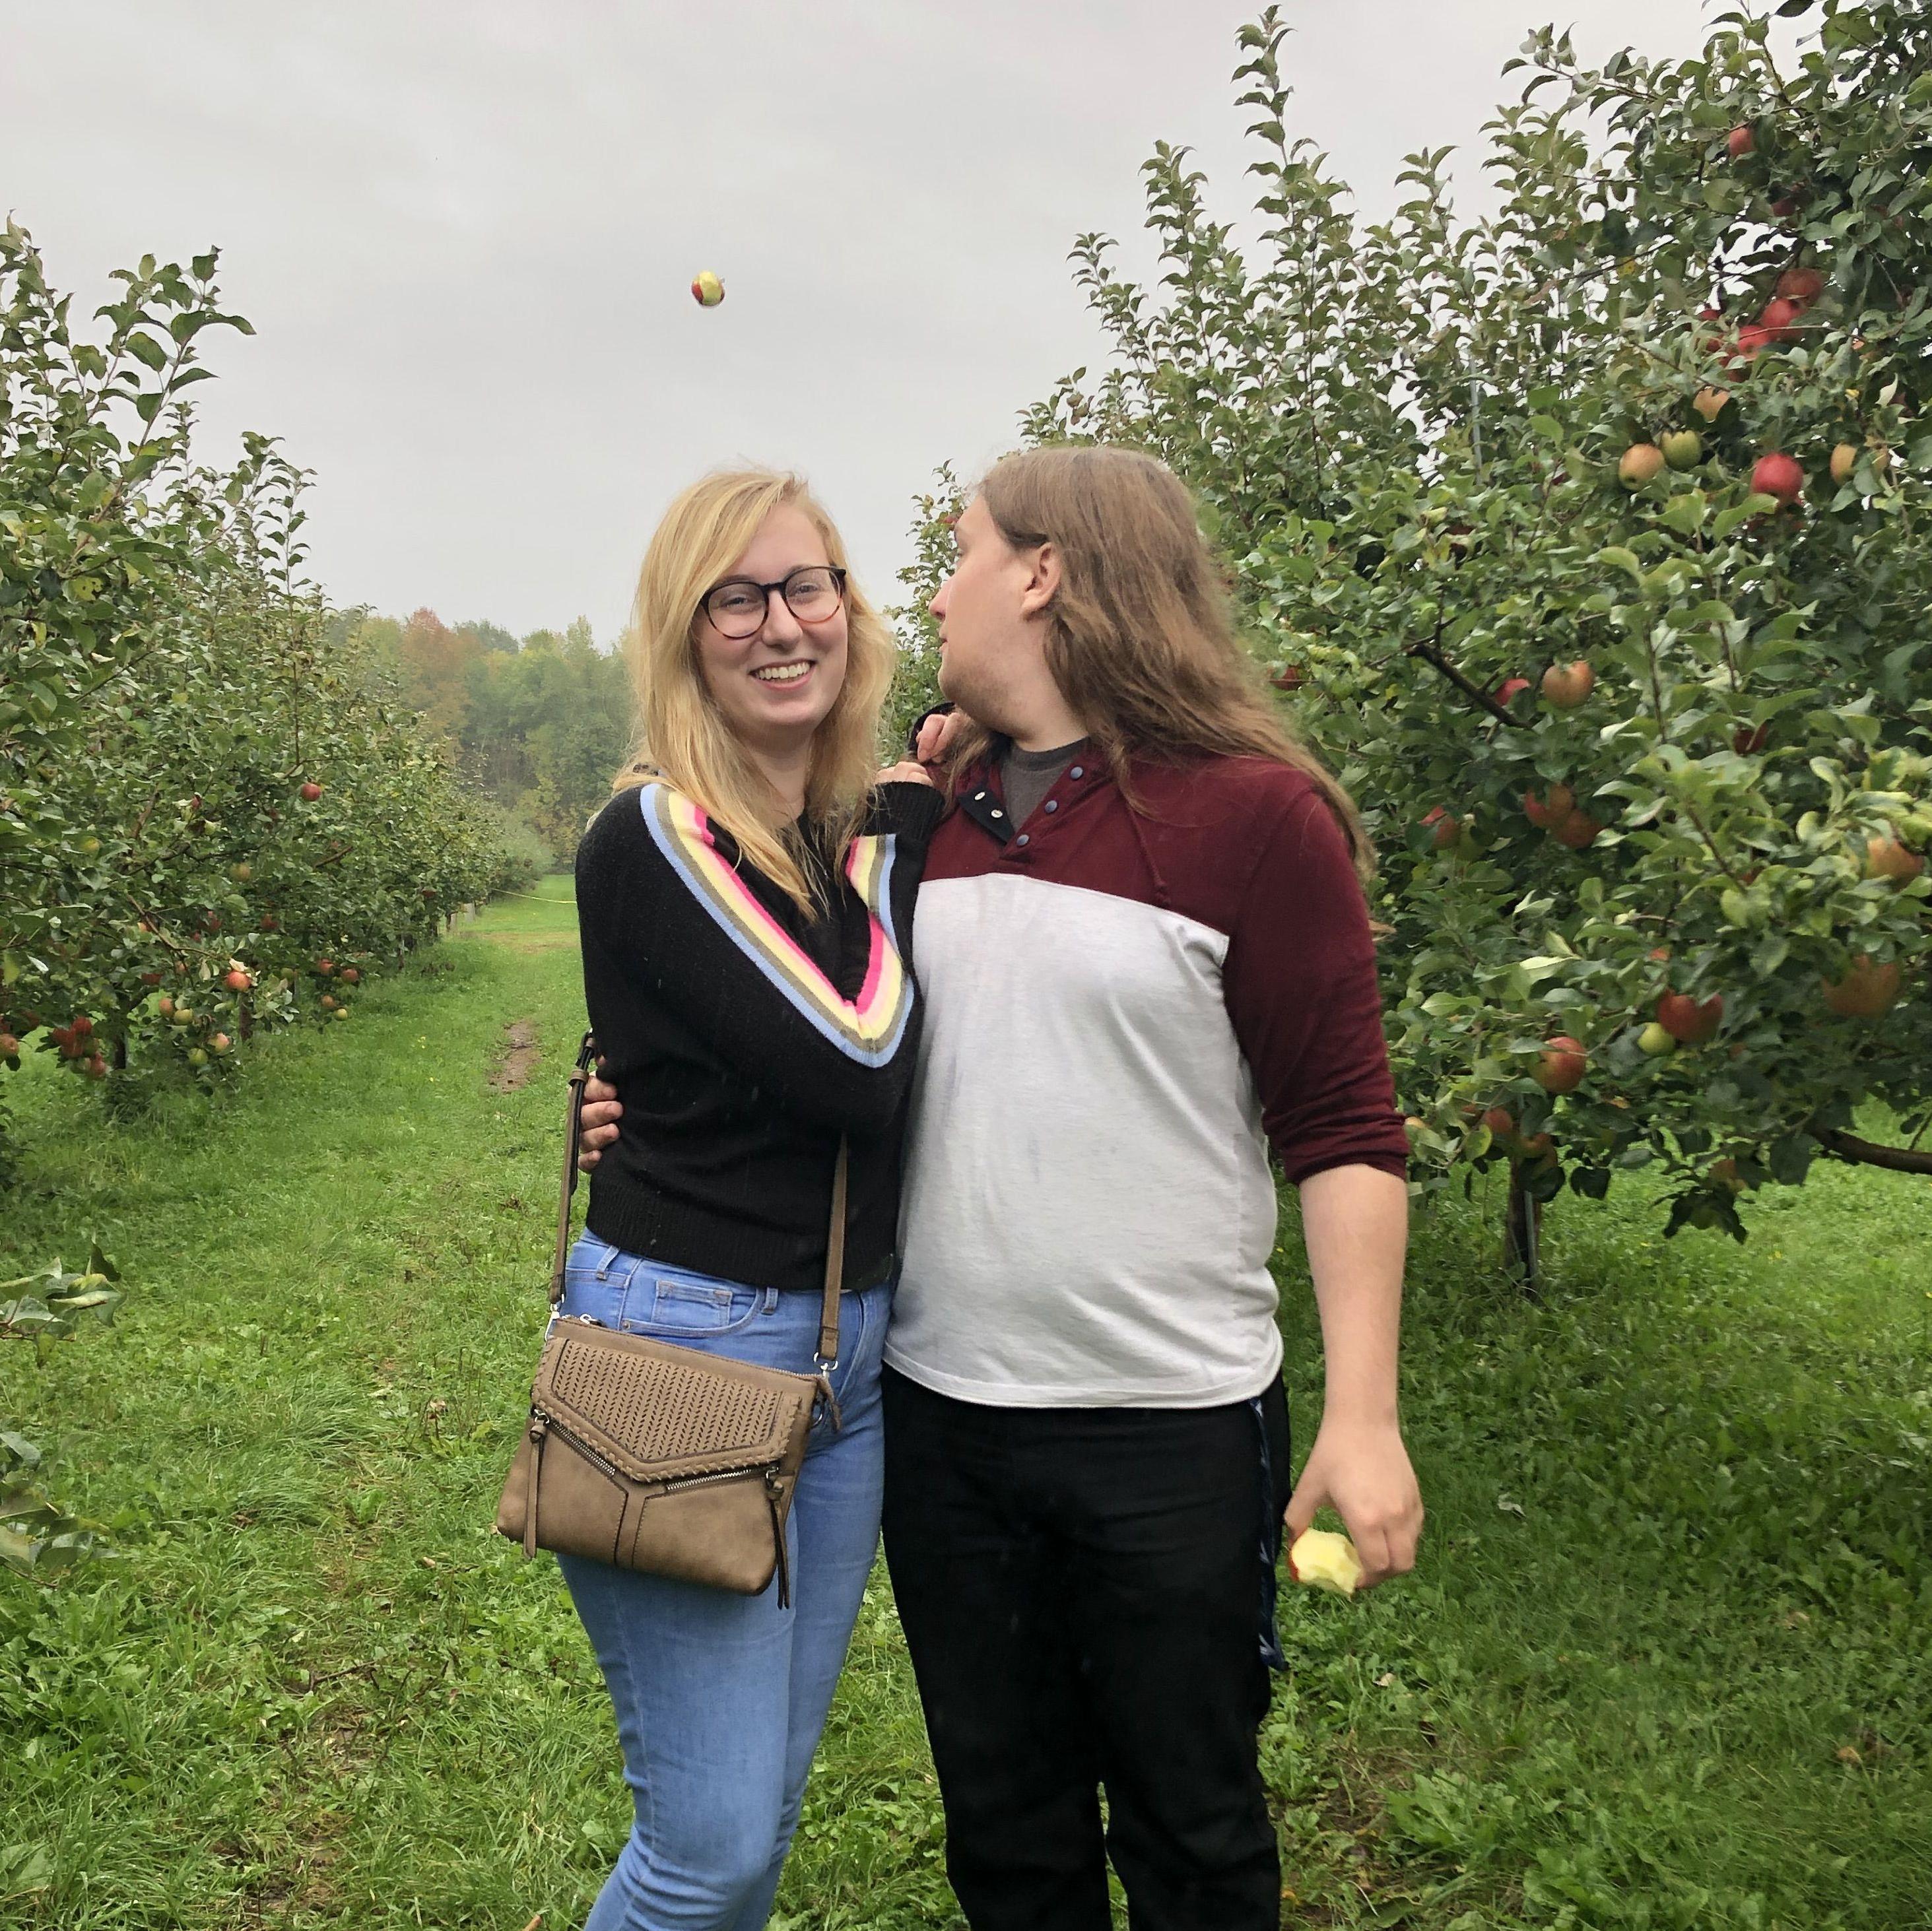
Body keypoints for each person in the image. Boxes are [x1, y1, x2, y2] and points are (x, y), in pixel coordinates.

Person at [578, 444, 1424, 1931]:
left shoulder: (1255, 818)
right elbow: (820, 1028)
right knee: (1008, 1829)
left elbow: (1344, 1124)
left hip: (1169, 1418)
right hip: (942, 1412)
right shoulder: (919, 814)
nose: (934, 582)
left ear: (1040, 573)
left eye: (959, 548)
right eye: (746, 596)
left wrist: (1364, 1411)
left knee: (1195, 1826)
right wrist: (640, 1105)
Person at [557, 466, 941, 1931]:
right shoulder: (664, 832)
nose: (784, 624)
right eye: (739, 596)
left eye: (810, 586)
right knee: (707, 1847)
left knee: (761, 1816)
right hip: (695, 1344)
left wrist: (879, 819)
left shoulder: (821, 835)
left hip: (847, 1351)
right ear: (684, 627)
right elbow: (859, 1057)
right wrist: (893, 833)